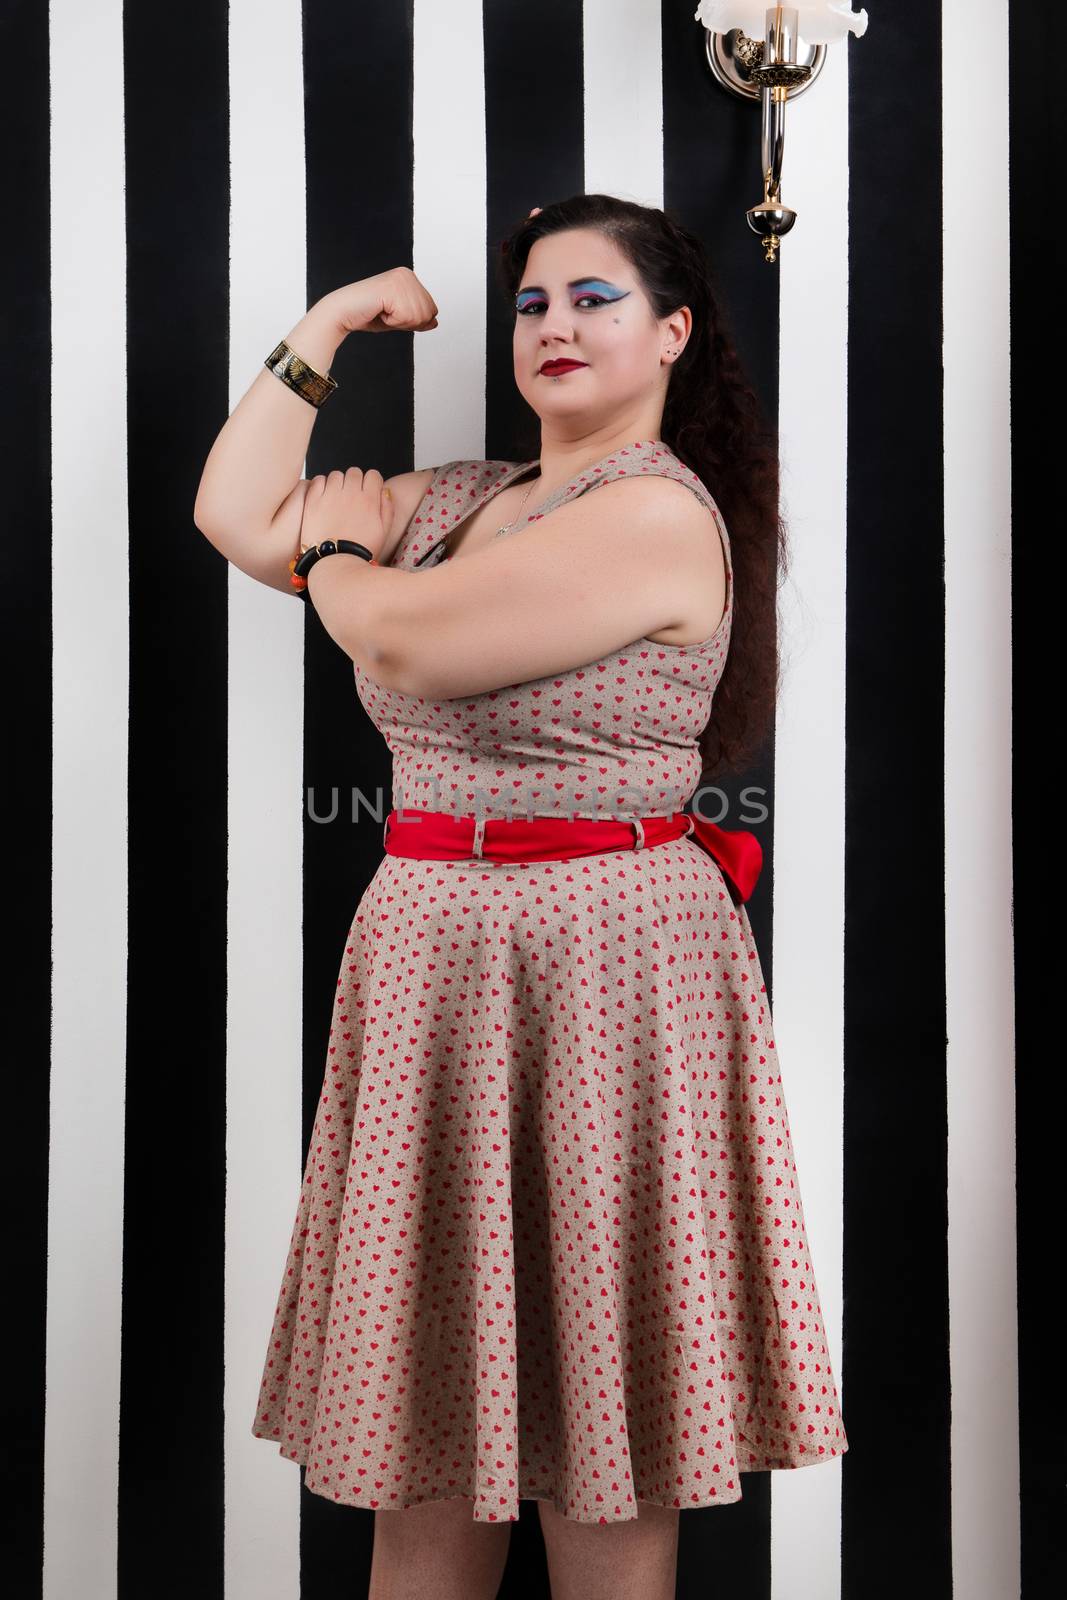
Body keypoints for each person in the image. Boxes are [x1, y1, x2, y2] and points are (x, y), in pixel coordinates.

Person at [194, 194, 847, 1600]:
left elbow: (406, 646)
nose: (555, 324)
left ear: (674, 333)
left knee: (604, 1461)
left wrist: (346, 561)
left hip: (609, 965)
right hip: (433, 958)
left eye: (596, 299)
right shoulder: (465, 498)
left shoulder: (661, 518)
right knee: (431, 1451)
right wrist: (328, 327)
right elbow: (234, 512)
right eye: (535, 302)